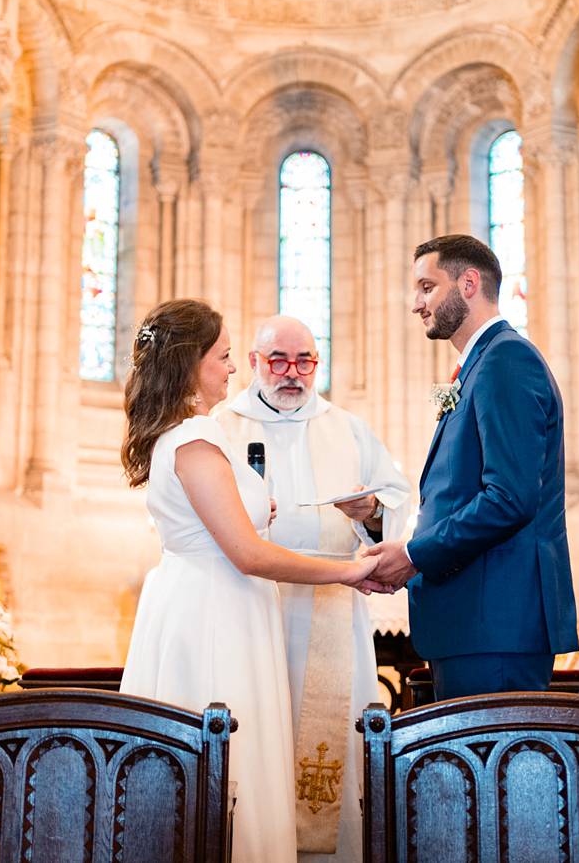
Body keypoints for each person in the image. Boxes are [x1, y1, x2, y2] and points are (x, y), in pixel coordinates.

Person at [118, 299, 379, 863]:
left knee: (221, 768)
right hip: (219, 617)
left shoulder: (190, 436)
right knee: (230, 768)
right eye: (225, 355)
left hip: (212, 604)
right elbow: (247, 554)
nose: (232, 368)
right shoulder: (196, 440)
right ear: (192, 363)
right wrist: (350, 570)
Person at [214, 315, 414, 862]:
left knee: (327, 746)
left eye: (305, 361)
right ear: (253, 362)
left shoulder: (345, 427)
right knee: (254, 727)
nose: (292, 374)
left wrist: (370, 512)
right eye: (278, 360)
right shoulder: (222, 426)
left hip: (331, 602)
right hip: (250, 601)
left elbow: (397, 504)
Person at [362, 234, 578, 700]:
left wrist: (415, 555)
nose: (414, 303)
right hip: (473, 621)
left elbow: (510, 498)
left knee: (494, 769)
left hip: (496, 623)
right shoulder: (481, 363)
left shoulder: (506, 360)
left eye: (426, 287)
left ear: (468, 283)